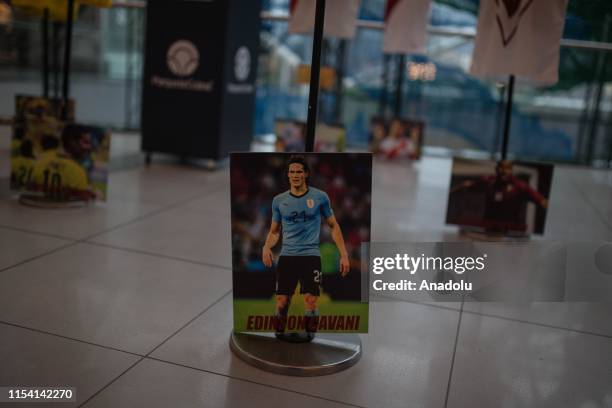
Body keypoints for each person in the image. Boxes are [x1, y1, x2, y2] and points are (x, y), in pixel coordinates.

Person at [261, 155, 350, 338]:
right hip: (287, 256)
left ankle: (310, 336)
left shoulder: (319, 197)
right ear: (287, 175)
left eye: (299, 171)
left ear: (306, 174)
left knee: (310, 300)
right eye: (292, 172)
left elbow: (333, 225)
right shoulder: (279, 201)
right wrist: (266, 247)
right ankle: (279, 334)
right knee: (282, 301)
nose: (295, 175)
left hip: (310, 256)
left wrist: (344, 254)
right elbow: (274, 231)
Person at [451, 160, 548, 232]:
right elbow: (466, 185)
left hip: (510, 229)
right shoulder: (489, 181)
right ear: (496, 169)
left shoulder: (520, 186)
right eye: (501, 168)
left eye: (507, 168)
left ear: (511, 170)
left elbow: (541, 201)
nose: (504, 171)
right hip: (489, 228)